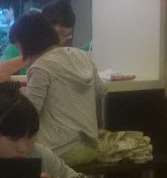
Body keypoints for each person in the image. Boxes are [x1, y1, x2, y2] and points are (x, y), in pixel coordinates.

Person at [6, 11, 104, 166]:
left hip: (59, 150)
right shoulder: (82, 56)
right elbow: (99, 91)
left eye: (18, 45)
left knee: (3, 149)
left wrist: (10, 92)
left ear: (27, 43)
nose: (19, 51)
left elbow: (29, 114)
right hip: (91, 146)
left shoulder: (41, 67)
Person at [0, 0, 80, 84]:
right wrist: (32, 55)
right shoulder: (19, 45)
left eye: (66, 35)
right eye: (59, 34)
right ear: (43, 28)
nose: (61, 40)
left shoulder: (66, 54)